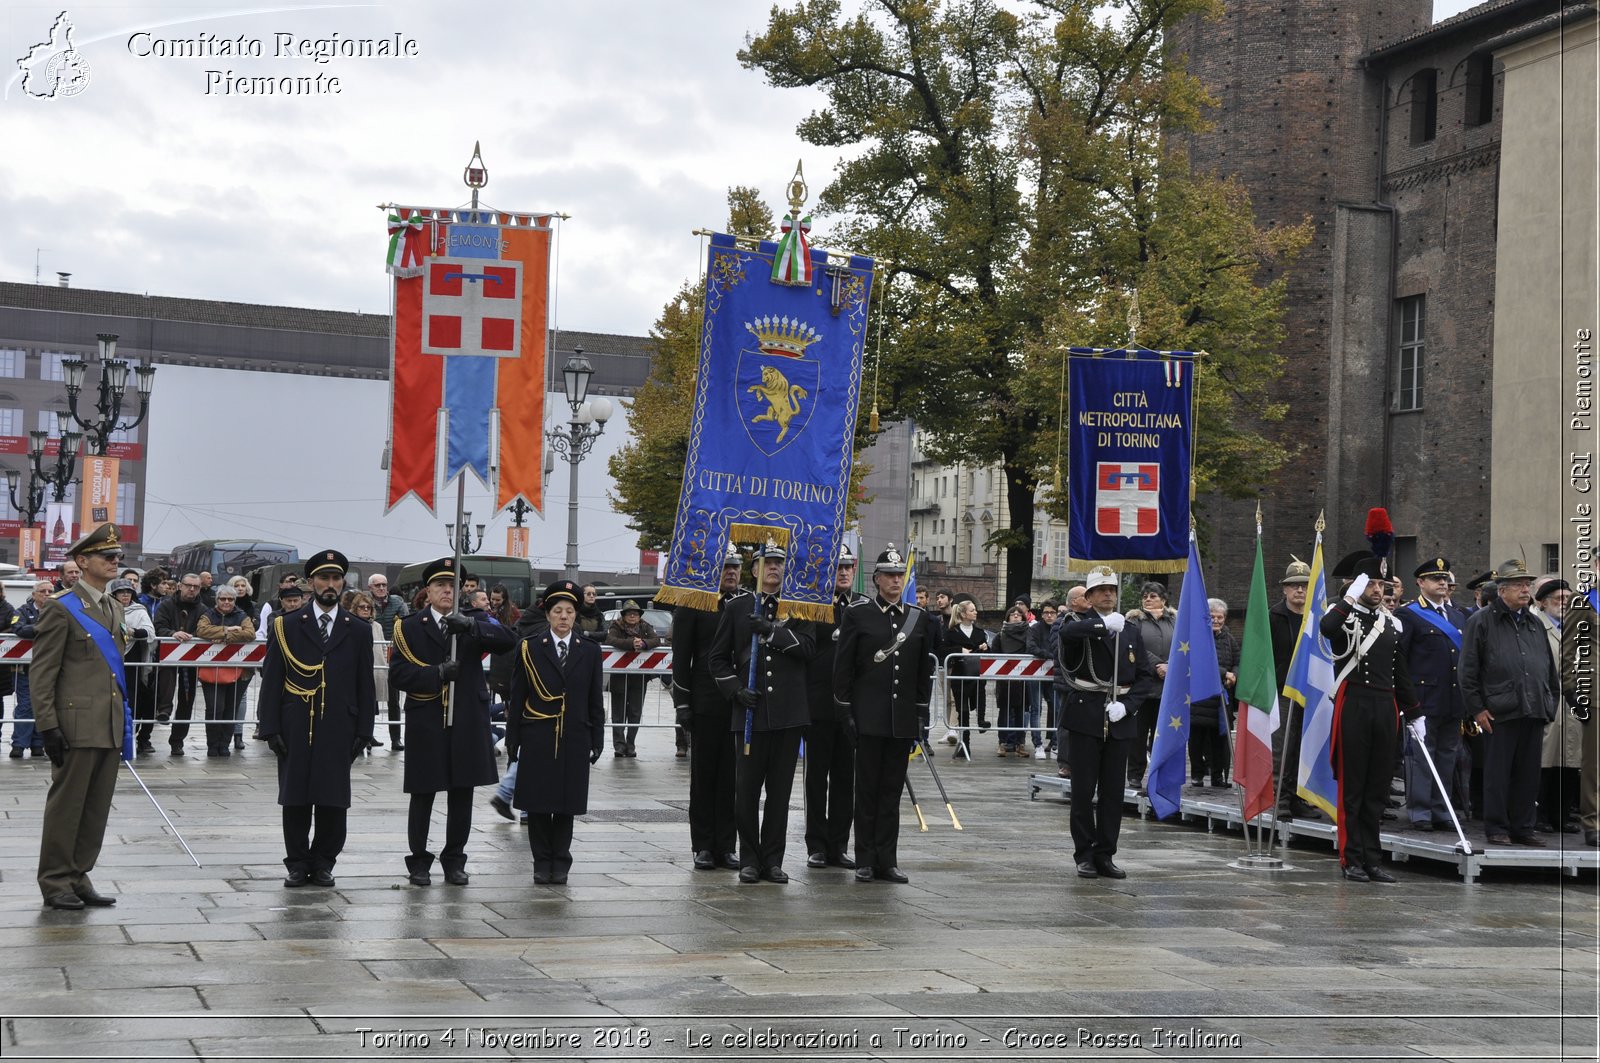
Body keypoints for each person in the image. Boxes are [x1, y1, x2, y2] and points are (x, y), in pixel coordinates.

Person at [388, 557, 514, 886]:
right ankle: (418, 861)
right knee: (423, 792)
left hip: (466, 718)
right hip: (427, 717)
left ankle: (454, 859)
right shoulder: (410, 626)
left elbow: (508, 641)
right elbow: (399, 674)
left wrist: (472, 626)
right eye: (440, 585)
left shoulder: (473, 619)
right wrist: (436, 674)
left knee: (462, 792)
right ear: (427, 591)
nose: (446, 590)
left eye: (452, 586)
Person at [257, 549, 377, 889]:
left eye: (336, 578)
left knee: (333, 798)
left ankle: (324, 862)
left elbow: (364, 683)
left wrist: (365, 729)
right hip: (295, 723)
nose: (330, 585)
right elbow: (273, 680)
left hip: (340, 724)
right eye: (323, 578)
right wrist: (270, 727)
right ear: (311, 583)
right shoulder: (287, 625)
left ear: (343, 583)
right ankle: (297, 863)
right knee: (295, 796)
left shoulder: (357, 629)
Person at [31, 522, 130, 910]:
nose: (114, 562)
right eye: (107, 557)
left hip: (107, 724)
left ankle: (78, 874)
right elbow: (43, 674)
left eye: (117, 557)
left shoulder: (114, 606)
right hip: (74, 725)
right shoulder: (61, 608)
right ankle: (55, 880)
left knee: (95, 807)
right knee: (67, 806)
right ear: (82, 561)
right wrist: (48, 726)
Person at [710, 539, 815, 884]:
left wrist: (771, 632)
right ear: (754, 569)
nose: (773, 567)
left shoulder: (800, 606)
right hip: (750, 713)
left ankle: (773, 860)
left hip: (787, 713)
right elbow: (718, 658)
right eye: (767, 562)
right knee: (747, 792)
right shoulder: (738, 607)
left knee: (780, 794)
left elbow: (808, 648)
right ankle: (749, 860)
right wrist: (735, 691)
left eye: (779, 562)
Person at [834, 544, 937, 883]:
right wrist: (845, 709)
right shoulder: (859, 614)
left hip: (900, 719)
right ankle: (864, 857)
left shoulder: (918, 618)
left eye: (899, 575)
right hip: (868, 716)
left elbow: (923, 673)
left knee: (891, 792)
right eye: (890, 575)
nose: (896, 580)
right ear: (877, 580)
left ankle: (887, 859)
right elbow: (844, 665)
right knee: (866, 791)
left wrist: (921, 715)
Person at [1322, 551, 1421, 882]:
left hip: (1385, 706)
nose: (1379, 590)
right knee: (1354, 786)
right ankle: (1351, 858)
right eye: (1373, 584)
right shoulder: (1343, 616)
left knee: (1378, 787)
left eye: (1382, 584)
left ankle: (1372, 858)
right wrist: (1349, 597)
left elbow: (1400, 671)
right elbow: (1327, 628)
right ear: (1359, 584)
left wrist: (1415, 712)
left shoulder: (1393, 623)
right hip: (1354, 704)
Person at [504, 579, 605, 884]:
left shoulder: (588, 650)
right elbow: (517, 694)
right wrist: (513, 738)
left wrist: (597, 738)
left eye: (570, 612)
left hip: (575, 735)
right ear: (547, 615)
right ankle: (540, 861)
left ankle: (560, 861)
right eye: (558, 611)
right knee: (537, 803)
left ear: (576, 616)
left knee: (566, 803)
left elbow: (594, 698)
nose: (564, 617)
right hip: (538, 734)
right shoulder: (531, 647)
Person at [1458, 558, 1560, 848]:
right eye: (1518, 585)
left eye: (1526, 584)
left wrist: (1548, 704)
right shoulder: (1481, 621)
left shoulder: (1533, 623)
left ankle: (1523, 827)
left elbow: (1547, 668)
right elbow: (1468, 670)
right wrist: (1477, 709)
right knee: (1498, 775)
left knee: (1528, 775)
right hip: (1498, 712)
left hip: (1533, 709)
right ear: (1501, 590)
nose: (1525, 590)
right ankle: (1497, 827)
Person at [1058, 565, 1151, 879]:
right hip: (1087, 714)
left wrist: (1127, 706)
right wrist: (1100, 626)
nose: (1108, 594)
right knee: (1083, 791)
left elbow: (1144, 677)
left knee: (1112, 793)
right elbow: (1065, 635)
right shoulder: (1079, 624)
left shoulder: (1131, 631)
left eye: (1112, 589)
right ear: (1089, 597)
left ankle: (1105, 853)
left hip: (1118, 718)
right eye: (1101, 590)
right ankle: (1084, 854)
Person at [671, 544, 743, 871]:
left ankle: (727, 845)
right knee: (704, 779)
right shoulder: (694, 603)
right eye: (726, 566)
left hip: (737, 703)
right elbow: (682, 659)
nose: (731, 572)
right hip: (704, 701)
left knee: (732, 779)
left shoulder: (744, 605)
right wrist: (683, 704)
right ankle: (702, 845)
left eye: (736, 567)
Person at [1397, 556, 1471, 832]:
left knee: (1447, 755)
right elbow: (1401, 659)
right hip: (1423, 698)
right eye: (1436, 579)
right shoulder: (1409, 614)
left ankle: (1443, 808)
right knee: (1421, 756)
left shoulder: (1458, 616)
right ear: (1420, 583)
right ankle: (1420, 811)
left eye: (1445, 579)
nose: (1443, 583)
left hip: (1452, 698)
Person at [804, 544, 863, 870]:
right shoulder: (815, 607)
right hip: (819, 705)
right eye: (837, 567)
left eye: (847, 567)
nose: (842, 572)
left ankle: (839, 845)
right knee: (816, 778)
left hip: (850, 708)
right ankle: (816, 844)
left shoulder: (862, 607)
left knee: (845, 779)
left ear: (854, 571)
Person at [1270, 557, 1317, 819]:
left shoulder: (1316, 618)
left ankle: (1299, 798)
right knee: (1282, 750)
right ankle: (1279, 800)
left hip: (1310, 692)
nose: (1300, 590)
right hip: (1283, 691)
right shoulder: (1273, 617)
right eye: (1294, 585)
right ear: (1285, 589)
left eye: (1304, 585)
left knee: (1304, 748)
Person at [1532, 578, 1580, 833]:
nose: (1564, 604)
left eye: (1568, 600)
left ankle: (1560, 816)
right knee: (1543, 761)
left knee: (1569, 760)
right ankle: (1537, 814)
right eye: (1558, 599)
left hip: (1571, 703)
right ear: (1543, 603)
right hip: (1547, 701)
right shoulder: (1537, 626)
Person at [1558, 566, 1600, 847]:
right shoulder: (1584, 601)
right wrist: (1572, 688)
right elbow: (1568, 647)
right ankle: (1593, 822)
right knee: (1594, 763)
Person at [195, 584, 255, 757]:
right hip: (210, 672)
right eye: (223, 599)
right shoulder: (208, 614)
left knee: (231, 709)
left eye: (230, 599)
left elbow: (250, 633)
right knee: (214, 708)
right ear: (217, 600)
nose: (227, 602)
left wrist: (224, 636)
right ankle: (212, 745)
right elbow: (201, 630)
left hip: (237, 671)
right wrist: (228, 630)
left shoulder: (241, 615)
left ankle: (225, 745)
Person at [1125, 582, 1174, 789]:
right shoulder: (1135, 621)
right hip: (1143, 687)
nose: (1148, 599)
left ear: (1163, 600)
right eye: (1145, 596)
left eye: (1153, 596)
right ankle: (1135, 774)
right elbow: (1135, 646)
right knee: (1138, 734)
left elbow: (1184, 645)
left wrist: (1171, 665)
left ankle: (1159, 775)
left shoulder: (1175, 620)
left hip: (1168, 689)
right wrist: (1158, 666)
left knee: (1162, 734)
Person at [153, 573, 205, 756]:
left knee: (187, 700)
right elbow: (157, 626)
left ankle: (177, 741)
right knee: (165, 685)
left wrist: (197, 636)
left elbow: (206, 629)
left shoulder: (203, 609)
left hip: (191, 659)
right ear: (180, 586)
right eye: (188, 585)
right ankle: (164, 711)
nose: (192, 589)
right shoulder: (166, 605)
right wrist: (172, 633)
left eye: (196, 586)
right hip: (167, 656)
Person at [1189, 598, 1238, 787]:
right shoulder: (1197, 637)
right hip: (1200, 699)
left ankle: (1219, 777)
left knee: (1220, 740)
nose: (1216, 621)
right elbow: (1200, 661)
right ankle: (1197, 775)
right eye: (1212, 617)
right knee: (1197, 740)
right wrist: (1225, 673)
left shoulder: (1229, 638)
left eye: (1220, 617)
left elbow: (1237, 660)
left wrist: (1234, 675)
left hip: (1221, 698)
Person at [605, 601, 662, 757]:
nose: (632, 615)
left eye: (635, 613)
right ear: (623, 615)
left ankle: (631, 745)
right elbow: (610, 640)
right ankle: (619, 746)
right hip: (619, 677)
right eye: (629, 613)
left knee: (635, 711)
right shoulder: (615, 626)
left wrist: (644, 643)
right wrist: (631, 643)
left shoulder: (645, 626)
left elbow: (656, 640)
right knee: (618, 712)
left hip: (639, 677)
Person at [10, 580, 54, 759]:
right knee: (25, 706)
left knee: (44, 706)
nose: (47, 594)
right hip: (26, 670)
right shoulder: (22, 611)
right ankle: (19, 744)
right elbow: (18, 629)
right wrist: (42, 628)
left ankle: (38, 744)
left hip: (50, 668)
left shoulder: (58, 611)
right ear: (34, 594)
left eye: (50, 591)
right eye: (43, 591)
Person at [368, 571, 408, 751]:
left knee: (394, 698)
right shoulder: (364, 602)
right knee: (369, 697)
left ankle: (396, 738)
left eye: (384, 584)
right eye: (378, 585)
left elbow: (404, 624)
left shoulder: (397, 602)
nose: (382, 588)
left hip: (393, 653)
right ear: (370, 587)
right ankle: (367, 735)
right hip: (371, 652)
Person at [943, 600, 988, 751]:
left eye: (975, 610)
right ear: (963, 614)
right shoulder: (951, 632)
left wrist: (985, 648)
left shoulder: (980, 633)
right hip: (960, 675)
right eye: (972, 610)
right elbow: (942, 650)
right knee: (963, 710)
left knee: (980, 696)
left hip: (977, 674)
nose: (975, 612)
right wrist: (959, 650)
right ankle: (964, 744)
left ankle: (981, 721)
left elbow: (989, 653)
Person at [993, 604, 1031, 756]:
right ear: (1007, 617)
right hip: (1005, 681)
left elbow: (1031, 650)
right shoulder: (1000, 635)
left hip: (1023, 680)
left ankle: (1020, 744)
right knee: (1004, 711)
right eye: (1012, 614)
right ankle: (1002, 743)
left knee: (1021, 712)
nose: (1016, 616)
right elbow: (994, 655)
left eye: (1019, 614)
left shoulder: (1029, 634)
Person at [1026, 599, 1061, 760]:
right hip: (1036, 672)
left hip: (1054, 673)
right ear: (1042, 614)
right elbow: (1031, 647)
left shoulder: (1060, 627)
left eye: (1052, 612)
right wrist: (1049, 655)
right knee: (1036, 709)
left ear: (1056, 613)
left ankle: (1055, 744)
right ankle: (1038, 744)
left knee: (1056, 708)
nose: (1049, 615)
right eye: (1046, 613)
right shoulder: (1035, 628)